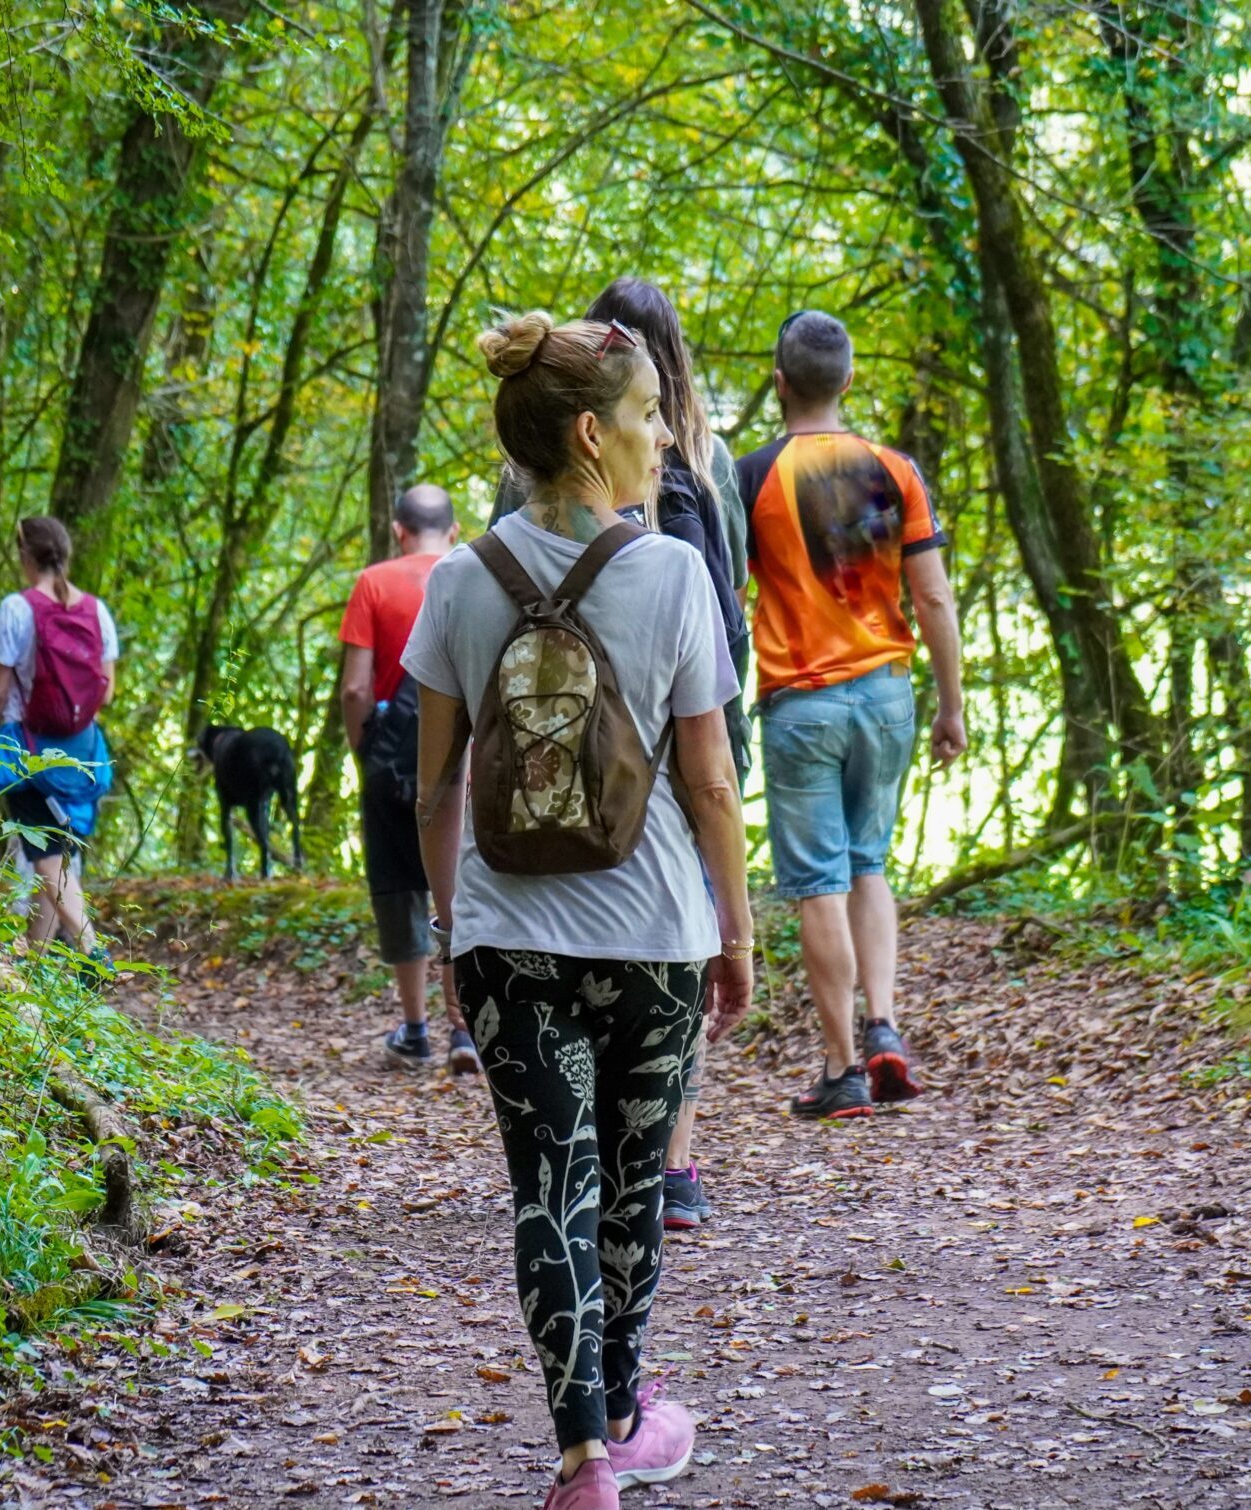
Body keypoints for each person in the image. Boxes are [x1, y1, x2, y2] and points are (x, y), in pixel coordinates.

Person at [403, 311, 755, 1510]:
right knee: (633, 1177)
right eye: (652, 416)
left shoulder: (459, 577)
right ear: (595, 433)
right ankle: (627, 1398)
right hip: (654, 936)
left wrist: (458, 926)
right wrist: (738, 931)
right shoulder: (673, 576)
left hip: (511, 937)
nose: (665, 438)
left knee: (549, 1183)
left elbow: (432, 784)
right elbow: (710, 780)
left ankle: (581, 1461)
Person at [490, 278, 748, 1229]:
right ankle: (665, 1160)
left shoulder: (513, 497)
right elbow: (723, 622)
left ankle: (590, 1153)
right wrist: (736, 930)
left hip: (541, 762)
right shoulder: (694, 471)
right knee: (668, 927)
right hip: (671, 733)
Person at [737, 311, 966, 1119]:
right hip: (885, 693)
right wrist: (950, 704)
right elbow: (932, 594)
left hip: (800, 702)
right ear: (849, 379)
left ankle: (840, 1073)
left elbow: (731, 602)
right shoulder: (892, 468)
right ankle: (882, 1026)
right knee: (869, 864)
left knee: (817, 885)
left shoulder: (750, 476)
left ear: (778, 381)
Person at [336, 483, 479, 1074]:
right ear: (453, 530)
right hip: (464, 757)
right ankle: (465, 1030)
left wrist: (365, 749)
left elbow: (354, 687)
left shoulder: (374, 582)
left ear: (399, 530)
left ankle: (415, 1029)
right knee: (460, 888)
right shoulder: (473, 573)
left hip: (394, 759)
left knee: (398, 884)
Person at [0, 517, 118, 956]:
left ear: (25, 556)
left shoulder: (17, 609)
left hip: (28, 747)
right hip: (82, 751)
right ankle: (35, 965)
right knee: (53, 851)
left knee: (46, 854)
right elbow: (108, 689)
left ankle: (91, 949)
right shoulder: (97, 611)